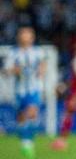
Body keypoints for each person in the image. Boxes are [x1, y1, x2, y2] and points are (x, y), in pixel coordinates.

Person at [2, 27, 46, 159]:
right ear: (19, 37)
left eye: (27, 34)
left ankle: (28, 143)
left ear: (32, 38)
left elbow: (43, 64)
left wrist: (41, 71)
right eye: (22, 34)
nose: (25, 36)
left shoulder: (38, 52)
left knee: (32, 113)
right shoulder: (13, 53)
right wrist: (15, 70)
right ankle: (25, 141)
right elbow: (6, 70)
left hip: (34, 89)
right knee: (21, 119)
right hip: (18, 91)